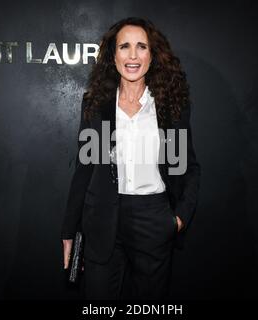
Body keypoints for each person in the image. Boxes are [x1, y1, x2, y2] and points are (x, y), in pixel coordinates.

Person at [61, 17, 200, 299]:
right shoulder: (97, 105)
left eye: (141, 47)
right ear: (113, 56)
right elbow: (85, 168)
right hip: (102, 220)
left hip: (154, 219)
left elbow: (186, 166)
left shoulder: (170, 106)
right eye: (124, 46)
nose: (133, 55)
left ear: (153, 55)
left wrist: (178, 219)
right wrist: (68, 231)